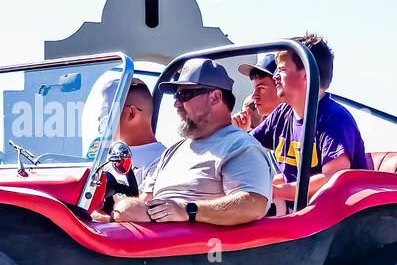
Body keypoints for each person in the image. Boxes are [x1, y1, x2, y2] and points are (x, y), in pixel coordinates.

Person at [96, 58, 274, 226]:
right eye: (176, 96)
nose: (177, 104)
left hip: (199, 252)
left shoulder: (240, 146)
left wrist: (187, 210)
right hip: (153, 248)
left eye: (185, 94)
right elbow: (145, 201)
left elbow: (252, 204)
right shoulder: (173, 151)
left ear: (215, 97)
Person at [251, 34, 369, 207]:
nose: (275, 76)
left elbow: (332, 179)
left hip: (330, 223)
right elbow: (248, 146)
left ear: (307, 74)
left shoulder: (334, 118)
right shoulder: (282, 114)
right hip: (295, 214)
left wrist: (273, 191)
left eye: (282, 70)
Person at [111, 78, 165, 185]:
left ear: (131, 113)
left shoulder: (163, 160)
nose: (99, 118)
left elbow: (142, 202)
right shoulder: (104, 155)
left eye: (108, 111)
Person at [232, 53, 284, 129]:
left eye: (262, 88)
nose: (253, 96)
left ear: (280, 86)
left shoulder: (295, 122)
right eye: (254, 89)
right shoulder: (270, 125)